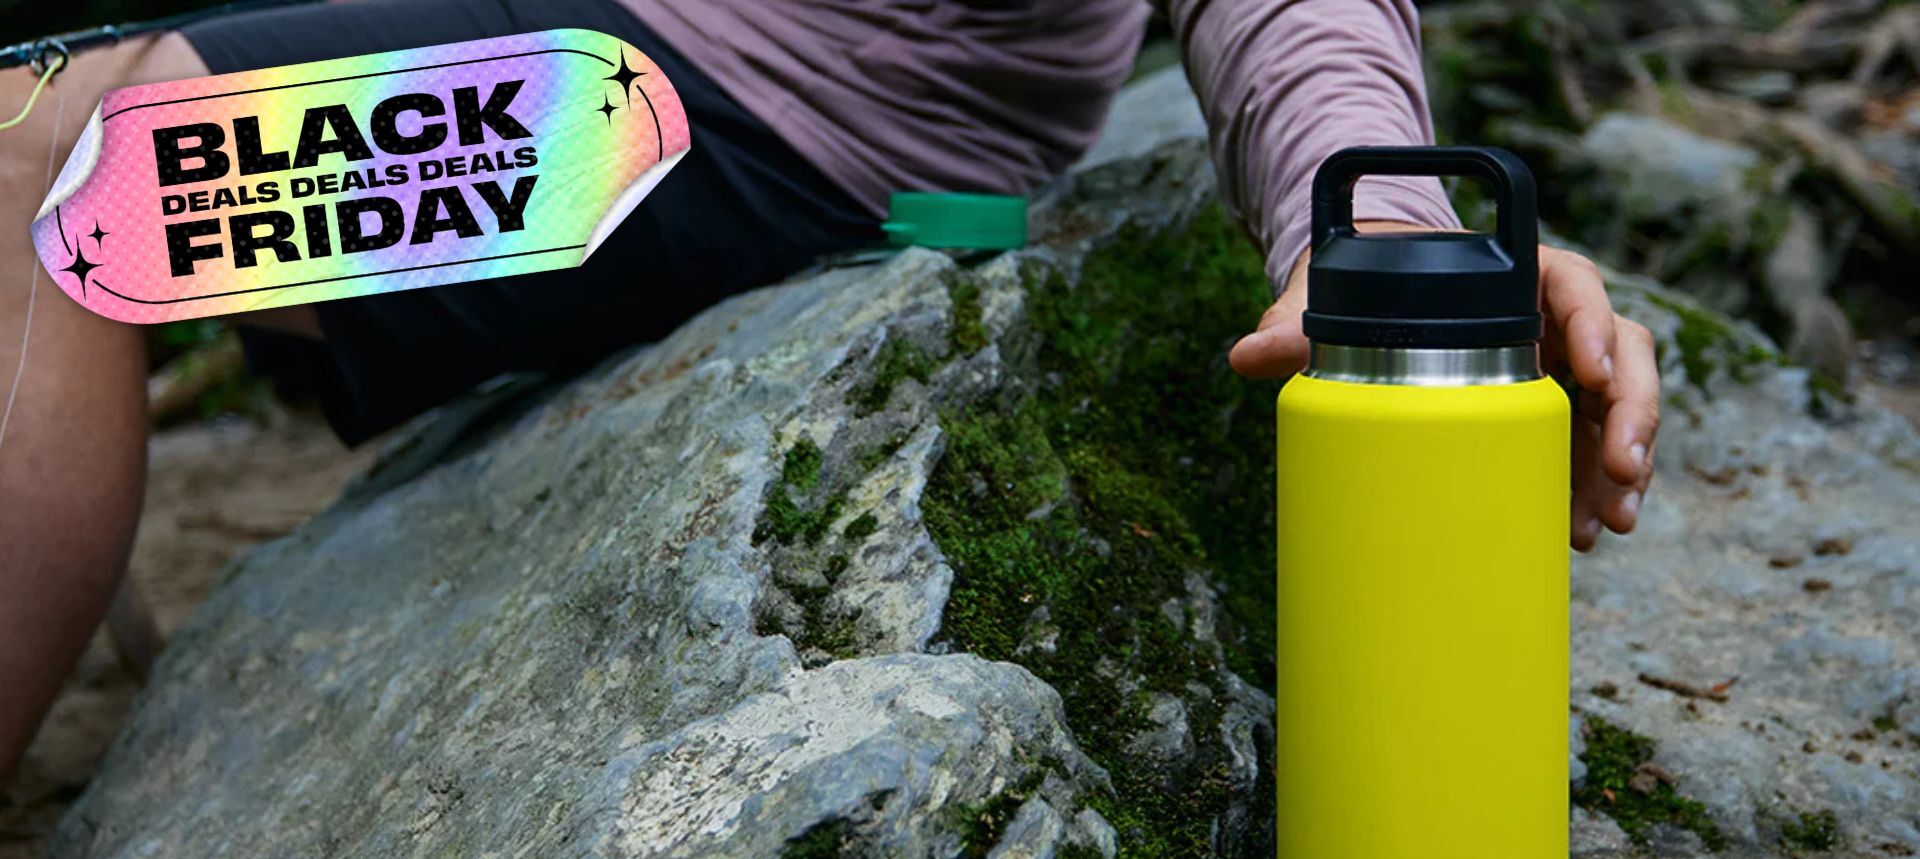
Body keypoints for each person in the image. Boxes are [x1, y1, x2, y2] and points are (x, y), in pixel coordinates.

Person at [0, 0, 1659, 777]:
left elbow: (1294, 13)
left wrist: (1388, 226)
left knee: (72, 160)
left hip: (792, 145)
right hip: (648, 51)